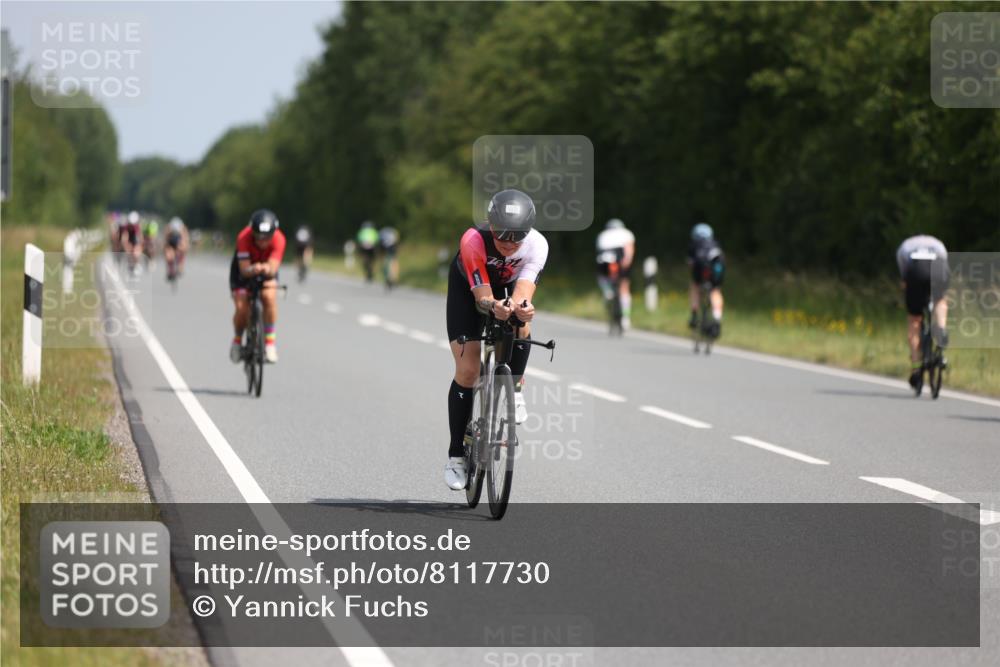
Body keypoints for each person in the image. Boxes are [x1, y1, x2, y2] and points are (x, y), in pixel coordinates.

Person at [443, 189, 548, 490]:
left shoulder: (537, 246)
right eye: (502, 239)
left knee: (521, 318)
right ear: (490, 225)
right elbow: (482, 297)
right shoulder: (473, 240)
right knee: (468, 370)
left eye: (516, 240)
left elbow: (523, 291)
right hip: (470, 290)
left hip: (509, 287)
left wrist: (519, 310)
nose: (508, 245)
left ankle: (514, 386)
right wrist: (495, 307)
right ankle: (455, 456)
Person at [229, 210, 286, 365]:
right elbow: (244, 268)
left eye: (266, 238)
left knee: (269, 296)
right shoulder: (243, 237)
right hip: (243, 273)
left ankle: (270, 343)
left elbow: (273, 267)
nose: (262, 242)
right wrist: (253, 269)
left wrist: (266, 268)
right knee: (242, 308)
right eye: (258, 237)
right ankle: (237, 340)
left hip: (266, 270)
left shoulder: (279, 239)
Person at [896, 235, 949, 389]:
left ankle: (916, 368)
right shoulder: (938, 244)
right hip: (938, 269)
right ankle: (941, 328)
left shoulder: (905, 246)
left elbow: (904, 275)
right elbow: (944, 264)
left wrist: (909, 289)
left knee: (915, 319)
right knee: (940, 301)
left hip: (916, 271)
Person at [595, 218, 636, 330]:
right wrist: (627, 262)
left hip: (605, 262)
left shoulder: (602, 235)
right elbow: (629, 251)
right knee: (624, 287)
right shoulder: (627, 234)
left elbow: (599, 252)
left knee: (602, 277)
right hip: (620, 261)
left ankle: (607, 291)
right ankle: (626, 318)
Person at [687, 223, 725, 338]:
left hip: (700, 269)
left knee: (695, 287)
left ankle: (694, 315)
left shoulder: (694, 245)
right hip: (716, 269)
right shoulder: (716, 244)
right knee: (715, 291)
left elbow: (691, 264)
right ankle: (717, 319)